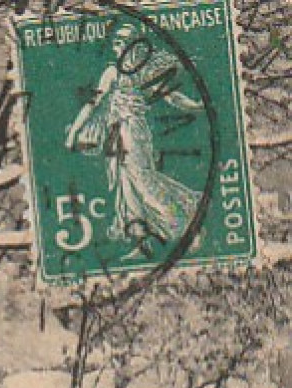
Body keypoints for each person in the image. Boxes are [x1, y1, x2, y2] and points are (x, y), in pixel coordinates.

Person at [65, 21, 203, 256]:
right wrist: (73, 132)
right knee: (126, 187)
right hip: (115, 135)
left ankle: (183, 223)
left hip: (134, 133)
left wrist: (197, 106)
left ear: (135, 45)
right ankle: (141, 242)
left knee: (143, 182)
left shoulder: (143, 73)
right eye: (116, 42)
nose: (118, 47)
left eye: (123, 42)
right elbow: (92, 104)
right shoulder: (112, 73)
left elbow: (171, 96)